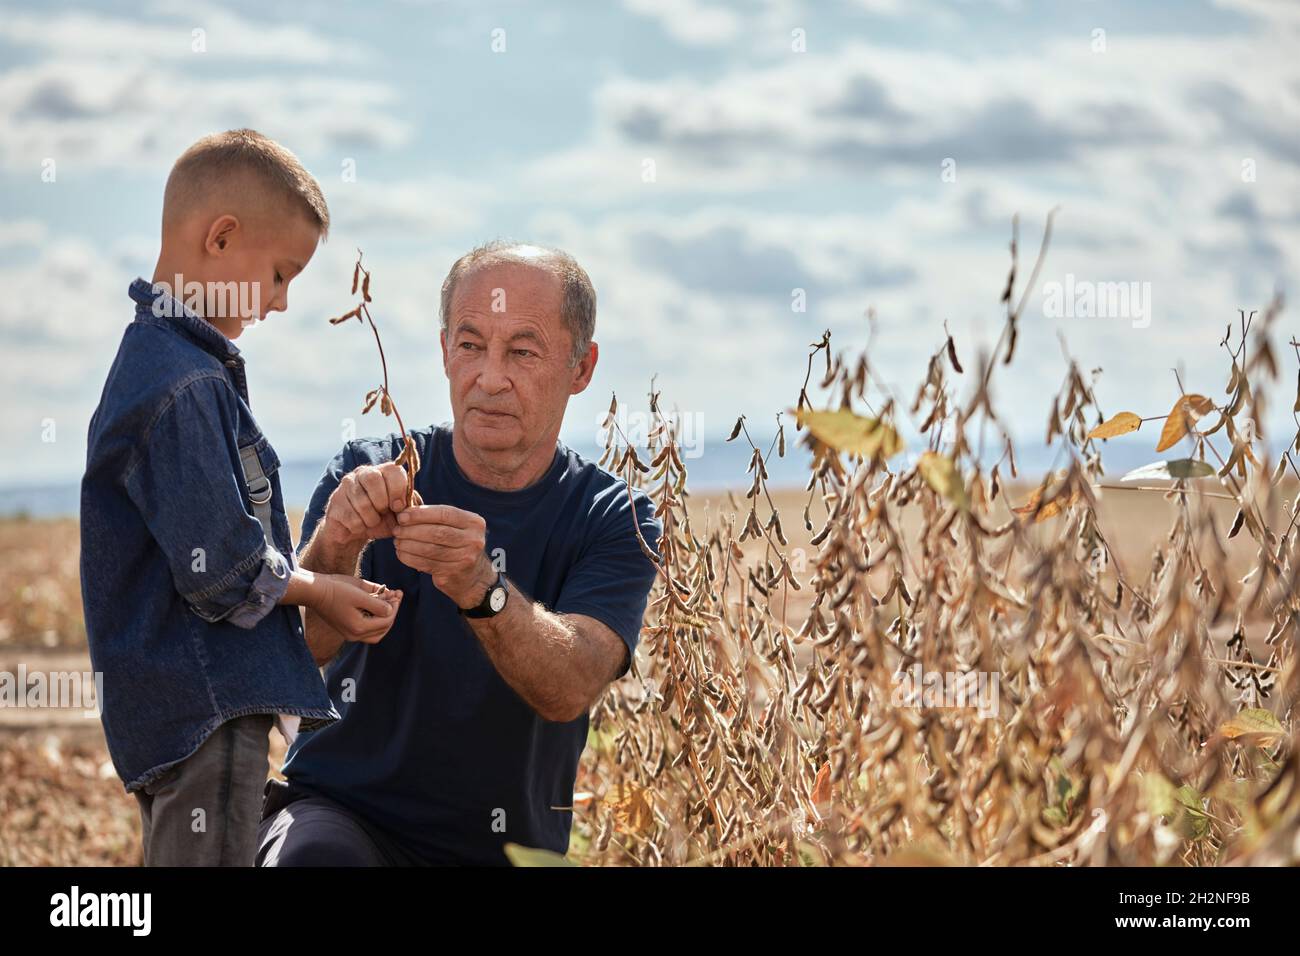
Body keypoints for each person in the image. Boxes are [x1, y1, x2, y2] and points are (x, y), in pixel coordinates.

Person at [257, 241, 662, 866]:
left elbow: (570, 686)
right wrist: (338, 545)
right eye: (471, 345)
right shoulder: (367, 472)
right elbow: (290, 653)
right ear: (445, 351)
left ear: (582, 369)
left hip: (508, 853)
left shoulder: (614, 519)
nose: (489, 377)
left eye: (523, 352)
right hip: (340, 818)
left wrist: (482, 588)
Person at [81, 129, 401, 866]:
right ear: (221, 238)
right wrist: (323, 591)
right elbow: (222, 567)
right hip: (208, 708)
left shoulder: (163, 367)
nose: (284, 303)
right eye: (281, 274)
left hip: (173, 709)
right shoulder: (184, 386)